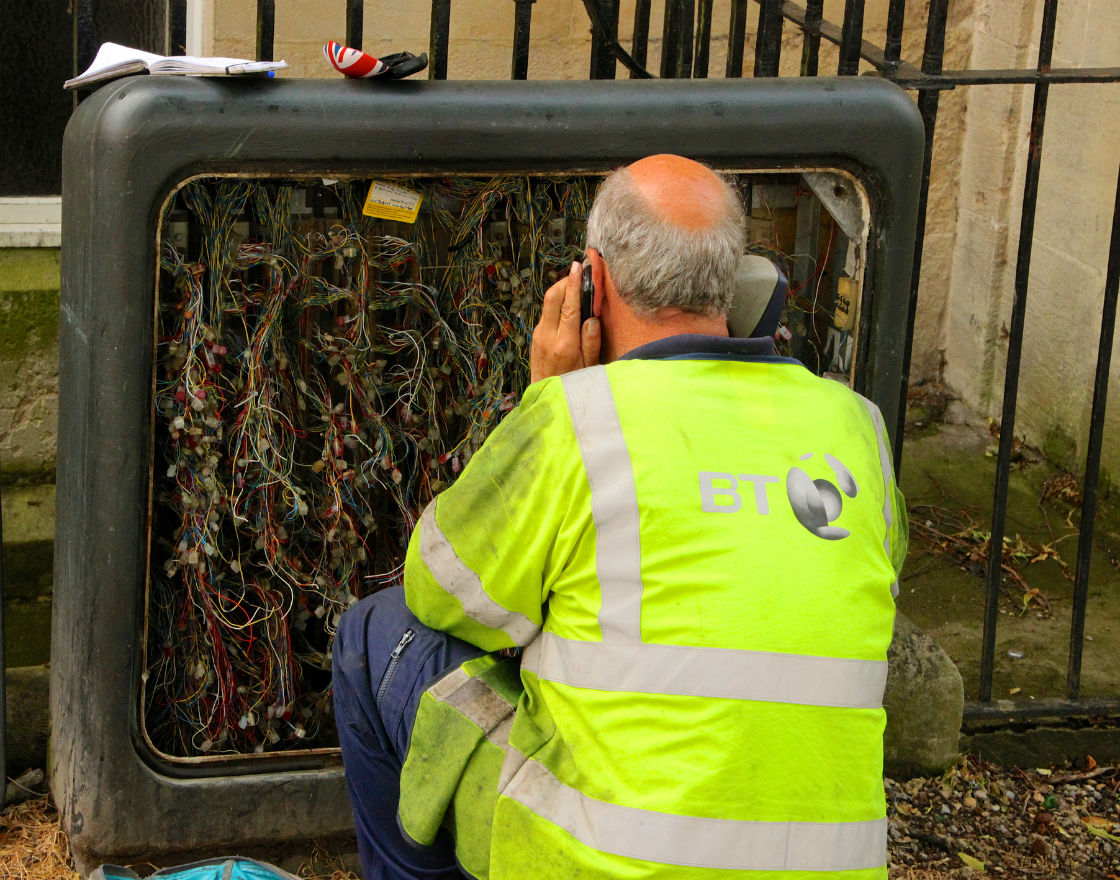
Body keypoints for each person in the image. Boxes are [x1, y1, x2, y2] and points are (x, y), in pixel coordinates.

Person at [332, 154, 907, 880]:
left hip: (591, 864)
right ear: (739, 283)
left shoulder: (578, 419)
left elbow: (441, 591)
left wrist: (546, 397)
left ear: (591, 283)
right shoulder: (859, 429)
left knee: (373, 634)